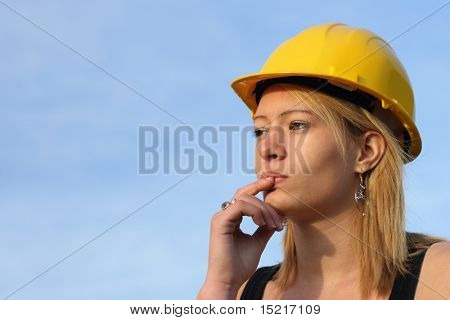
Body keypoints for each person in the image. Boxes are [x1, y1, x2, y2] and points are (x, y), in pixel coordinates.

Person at [196, 23, 450, 300]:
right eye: (261, 131)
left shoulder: (439, 275)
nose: (268, 149)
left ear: (365, 151)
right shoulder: (240, 294)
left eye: (296, 125)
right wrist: (220, 286)